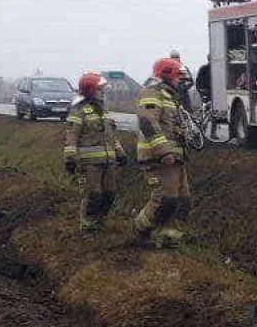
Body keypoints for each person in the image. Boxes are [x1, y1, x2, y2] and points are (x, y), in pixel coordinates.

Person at [134, 57, 190, 249]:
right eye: (177, 76)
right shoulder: (152, 92)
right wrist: (163, 151)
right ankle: (141, 230)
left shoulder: (170, 95)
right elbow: (148, 122)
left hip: (175, 158)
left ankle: (169, 238)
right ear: (167, 75)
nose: (179, 80)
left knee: (182, 200)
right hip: (159, 158)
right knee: (165, 199)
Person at [64, 73, 127, 235]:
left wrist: (120, 153)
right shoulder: (78, 111)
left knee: (110, 194)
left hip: (108, 162)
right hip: (89, 164)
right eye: (100, 89)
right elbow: (71, 137)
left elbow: (110, 135)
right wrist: (70, 160)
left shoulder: (103, 109)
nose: (103, 91)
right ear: (91, 90)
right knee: (93, 195)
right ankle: (88, 226)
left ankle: (100, 221)